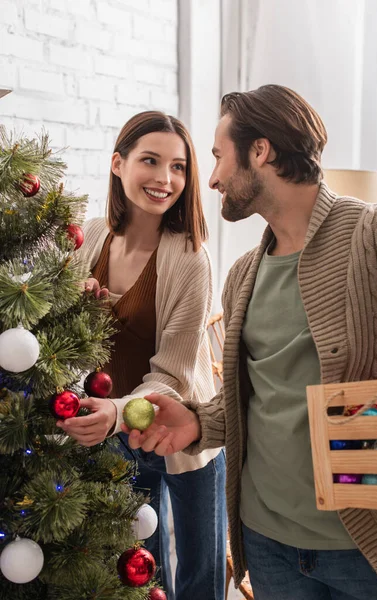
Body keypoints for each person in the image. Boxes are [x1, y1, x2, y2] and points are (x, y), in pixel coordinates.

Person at [122, 86, 377, 600]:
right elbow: (255, 398)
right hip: (268, 546)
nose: (211, 179)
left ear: (260, 151)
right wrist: (198, 421)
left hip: (369, 551)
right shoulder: (243, 274)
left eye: (217, 157)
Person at [58, 111, 227, 600]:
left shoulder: (191, 257)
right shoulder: (89, 237)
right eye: (150, 161)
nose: (165, 179)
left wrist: (116, 413)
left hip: (180, 433)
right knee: (140, 575)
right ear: (118, 164)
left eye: (178, 167)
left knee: (200, 573)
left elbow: (171, 373)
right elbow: (63, 345)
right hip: (112, 437)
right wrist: (78, 307)